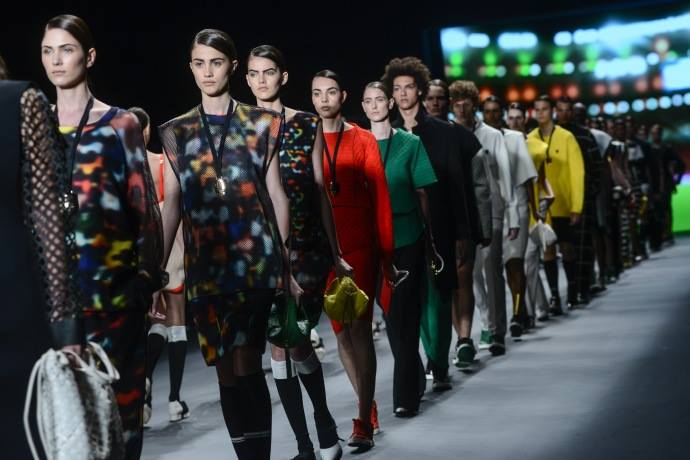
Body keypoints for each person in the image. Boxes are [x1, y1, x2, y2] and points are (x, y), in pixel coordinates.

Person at [158, 29, 300, 459]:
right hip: (206, 268)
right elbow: (172, 204)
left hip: (255, 263)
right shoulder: (177, 131)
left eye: (216, 63)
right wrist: (156, 269)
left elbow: (276, 194)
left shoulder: (261, 123)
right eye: (199, 63)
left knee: (246, 360)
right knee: (225, 371)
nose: (207, 72)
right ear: (190, 68)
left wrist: (285, 260)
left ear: (232, 67)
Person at [41, 15, 164, 459]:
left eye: (66, 49)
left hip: (114, 297)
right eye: (48, 51)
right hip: (57, 303)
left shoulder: (119, 124)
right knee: (73, 430)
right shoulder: (35, 128)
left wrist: (146, 278)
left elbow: (144, 208)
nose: (56, 61)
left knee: (123, 423)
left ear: (89, 56)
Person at [245, 45, 350, 460]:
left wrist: (336, 252)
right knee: (279, 344)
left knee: (296, 338)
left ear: (283, 76)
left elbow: (321, 190)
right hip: (260, 252)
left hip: (307, 250)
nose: (261, 80)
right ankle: (308, 442)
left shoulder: (307, 124)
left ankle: (322, 419)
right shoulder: (239, 129)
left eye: (269, 72)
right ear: (246, 79)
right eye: (254, 73)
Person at [311, 69, 399, 451]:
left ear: (343, 96)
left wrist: (386, 253)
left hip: (359, 244)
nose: (324, 100)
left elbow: (380, 197)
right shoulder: (306, 138)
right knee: (340, 332)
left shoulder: (362, 138)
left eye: (331, 92)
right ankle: (368, 404)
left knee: (359, 328)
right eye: (317, 93)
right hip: (323, 246)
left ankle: (363, 420)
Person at [381, 57, 484, 377]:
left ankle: (438, 361)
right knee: (411, 299)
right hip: (403, 230)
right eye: (397, 88)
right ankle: (428, 361)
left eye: (409, 87)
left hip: (442, 226)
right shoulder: (386, 134)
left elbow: (458, 186)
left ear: (421, 90)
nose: (403, 93)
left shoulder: (445, 133)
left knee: (439, 296)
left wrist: (464, 233)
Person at [1, 65, 84, 460]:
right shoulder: (21, 101)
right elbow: (49, 221)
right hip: (15, 292)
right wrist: (67, 325)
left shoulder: (20, 101)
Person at [362, 81, 441, 415]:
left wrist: (431, 241)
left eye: (380, 99)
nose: (374, 105)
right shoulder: (358, 143)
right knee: (391, 315)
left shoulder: (410, 143)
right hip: (372, 242)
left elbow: (423, 193)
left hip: (407, 237)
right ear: (363, 106)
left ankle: (405, 397)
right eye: (368, 101)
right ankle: (415, 376)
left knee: (402, 312)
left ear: (390, 103)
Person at [127, 106, 189, 425]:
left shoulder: (122, 170)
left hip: (139, 249)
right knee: (176, 317)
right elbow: (176, 209)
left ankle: (147, 382)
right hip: (169, 244)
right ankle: (175, 399)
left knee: (156, 320)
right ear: (148, 130)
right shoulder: (162, 162)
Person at [449, 81, 516, 354]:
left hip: (493, 209)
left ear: (474, 104)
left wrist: (513, 216)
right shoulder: (448, 134)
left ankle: (498, 330)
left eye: (466, 102)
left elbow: (505, 177)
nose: (461, 107)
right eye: (456, 102)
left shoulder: (492, 135)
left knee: (492, 269)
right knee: (472, 274)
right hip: (465, 213)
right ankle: (487, 323)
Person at [482, 96, 538, 334]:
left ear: (502, 113)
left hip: (518, 206)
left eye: (496, 111)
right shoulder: (478, 138)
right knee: (496, 267)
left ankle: (517, 314)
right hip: (491, 210)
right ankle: (517, 312)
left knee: (515, 262)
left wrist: (536, 212)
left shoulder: (515, 138)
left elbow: (527, 180)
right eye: (488, 111)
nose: (492, 115)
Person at [527, 96, 584, 316]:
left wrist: (576, 206)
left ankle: (572, 292)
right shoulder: (530, 138)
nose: (541, 113)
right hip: (542, 206)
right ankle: (554, 297)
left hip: (563, 203)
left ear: (552, 111)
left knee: (567, 248)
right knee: (548, 251)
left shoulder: (566, 137)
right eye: (537, 109)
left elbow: (577, 173)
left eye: (544, 109)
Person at [506, 102, 554, 323]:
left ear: (525, 119)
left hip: (532, 209)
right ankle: (534, 308)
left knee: (530, 262)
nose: (514, 121)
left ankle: (531, 312)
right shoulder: (501, 142)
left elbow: (542, 180)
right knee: (519, 264)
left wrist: (544, 204)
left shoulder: (537, 147)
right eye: (511, 117)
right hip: (510, 212)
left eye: (518, 117)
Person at [555, 97, 603, 305]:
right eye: (561, 110)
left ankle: (583, 288)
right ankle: (572, 290)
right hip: (558, 201)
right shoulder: (550, 135)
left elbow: (597, 166)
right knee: (566, 247)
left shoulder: (585, 135)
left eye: (568, 110)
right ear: (556, 112)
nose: (564, 114)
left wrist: (589, 193)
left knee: (583, 245)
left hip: (583, 199)